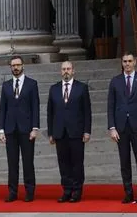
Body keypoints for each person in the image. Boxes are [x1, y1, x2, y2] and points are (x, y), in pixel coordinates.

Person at [107, 52, 137, 204]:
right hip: (121, 128)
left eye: (129, 61)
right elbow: (110, 106)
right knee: (124, 161)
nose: (127, 64)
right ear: (122, 63)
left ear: (135, 63)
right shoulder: (115, 81)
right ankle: (128, 192)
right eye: (124, 61)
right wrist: (112, 127)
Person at [0, 55, 41, 203]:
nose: (15, 68)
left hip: (27, 129)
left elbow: (35, 107)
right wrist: (1, 130)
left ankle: (29, 191)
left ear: (23, 66)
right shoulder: (6, 85)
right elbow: (2, 108)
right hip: (10, 129)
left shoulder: (32, 84)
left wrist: (35, 128)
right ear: (10, 67)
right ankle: (12, 191)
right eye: (13, 65)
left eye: (18, 65)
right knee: (12, 162)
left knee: (28, 162)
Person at [48, 60, 92, 203]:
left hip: (76, 132)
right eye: (63, 69)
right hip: (60, 132)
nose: (66, 71)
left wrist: (87, 131)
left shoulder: (82, 88)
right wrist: (50, 133)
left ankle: (77, 191)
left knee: (77, 163)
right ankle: (66, 190)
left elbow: (87, 112)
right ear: (61, 71)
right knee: (63, 163)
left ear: (73, 71)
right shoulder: (53, 89)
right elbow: (50, 112)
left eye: (68, 68)